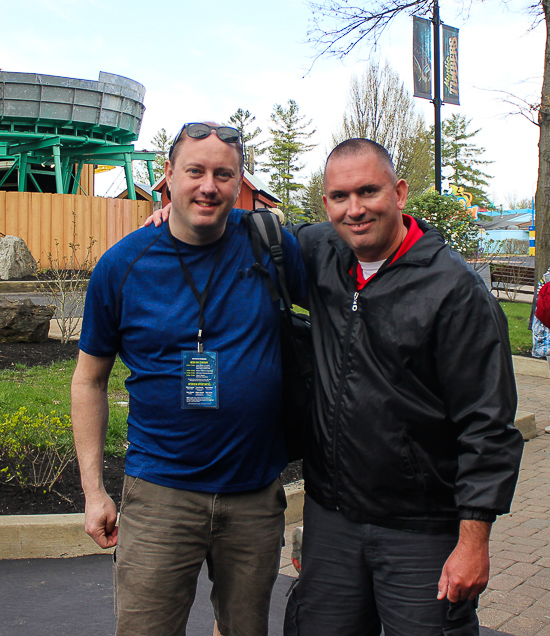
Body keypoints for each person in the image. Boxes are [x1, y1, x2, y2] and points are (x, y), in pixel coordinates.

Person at [147, 138, 523, 635]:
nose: (356, 209)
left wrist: (474, 541)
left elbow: (488, 426)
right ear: (326, 205)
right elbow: (255, 227)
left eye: (368, 191)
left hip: (421, 528)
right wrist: (179, 211)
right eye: (340, 197)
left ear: (400, 193)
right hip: (333, 520)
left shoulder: (454, 291)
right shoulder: (322, 253)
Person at [71, 122, 307, 636]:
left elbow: (352, 279)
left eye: (224, 174)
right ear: (168, 177)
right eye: (195, 171)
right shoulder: (122, 266)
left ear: (239, 182)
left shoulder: (271, 246)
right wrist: (94, 492)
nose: (209, 186)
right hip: (160, 495)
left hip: (254, 493)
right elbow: (88, 380)